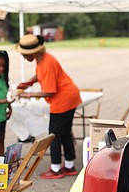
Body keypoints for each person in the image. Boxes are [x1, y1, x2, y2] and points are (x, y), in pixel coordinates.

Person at [16, 34, 82, 179]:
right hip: (69, 96)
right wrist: (29, 82)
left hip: (63, 99)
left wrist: (26, 95)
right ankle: (69, 166)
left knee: (54, 135)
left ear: (34, 52)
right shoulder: (42, 59)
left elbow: (50, 92)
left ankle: (55, 168)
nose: (24, 57)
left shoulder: (47, 63)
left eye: (26, 55)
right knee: (64, 133)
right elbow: (39, 74)